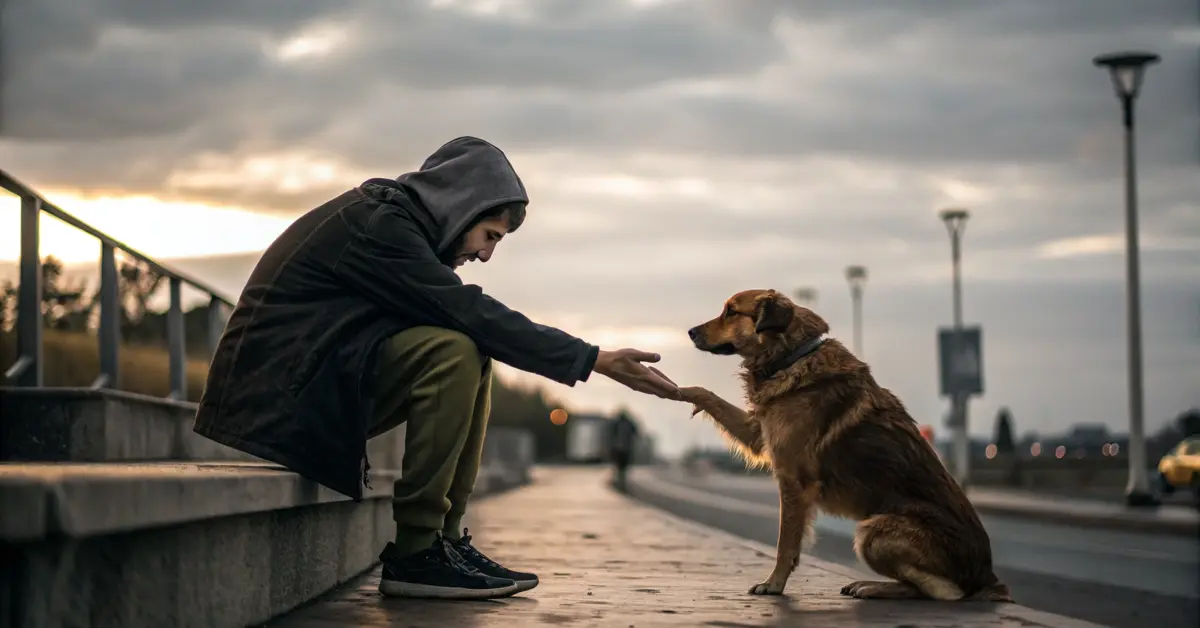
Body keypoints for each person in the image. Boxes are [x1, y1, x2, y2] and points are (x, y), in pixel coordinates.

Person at [193, 136, 680, 601]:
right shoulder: (379, 227)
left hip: (316, 382)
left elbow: (472, 321)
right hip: (275, 400)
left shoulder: (398, 225)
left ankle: (444, 540)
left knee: (471, 348)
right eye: (489, 236)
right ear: (461, 207)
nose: (486, 254)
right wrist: (593, 358)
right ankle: (416, 551)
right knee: (455, 349)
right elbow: (472, 312)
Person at [609, 412, 640, 492]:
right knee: (623, 468)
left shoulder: (616, 423)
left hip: (617, 448)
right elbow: (636, 433)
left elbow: (611, 434)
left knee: (618, 466)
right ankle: (622, 484)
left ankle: (618, 482)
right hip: (626, 449)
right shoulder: (630, 424)